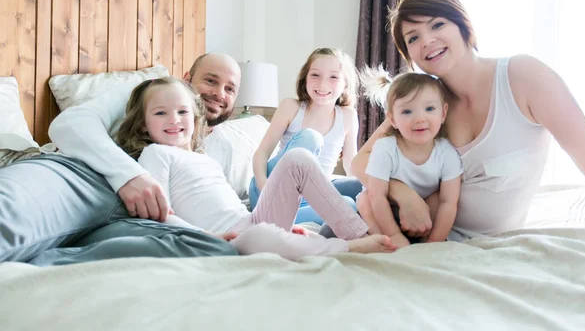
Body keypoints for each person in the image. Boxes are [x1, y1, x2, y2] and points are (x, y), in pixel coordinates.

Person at [352, 0, 585, 241]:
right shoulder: (427, 102)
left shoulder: (525, 77)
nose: (426, 41)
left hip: (468, 243)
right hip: (399, 233)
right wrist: (402, 193)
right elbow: (360, 161)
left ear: (464, 27)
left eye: (437, 24)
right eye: (413, 38)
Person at [0, 53, 244, 265]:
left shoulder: (218, 150)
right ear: (186, 78)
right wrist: (130, 176)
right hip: (83, 178)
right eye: (211, 80)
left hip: (134, 219)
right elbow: (69, 124)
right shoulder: (148, 91)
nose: (218, 94)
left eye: (230, 89)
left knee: (214, 251)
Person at [117, 77, 396, 259]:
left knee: (298, 157)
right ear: (143, 123)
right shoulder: (156, 154)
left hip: (250, 219)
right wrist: (208, 236)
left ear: (195, 117)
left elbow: (235, 207)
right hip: (230, 238)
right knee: (260, 238)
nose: (174, 119)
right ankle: (344, 248)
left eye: (182, 111)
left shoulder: (205, 158)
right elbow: (160, 215)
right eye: (160, 112)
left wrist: (277, 223)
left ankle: (358, 234)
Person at [250, 48, 363, 224]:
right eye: (315, 75)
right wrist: (264, 187)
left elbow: (351, 166)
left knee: (355, 195)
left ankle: (281, 218)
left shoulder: (348, 116)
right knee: (311, 138)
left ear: (345, 84)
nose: (323, 84)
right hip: (271, 189)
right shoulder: (291, 107)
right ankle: (271, 212)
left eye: (333, 77)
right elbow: (261, 154)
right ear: (305, 79)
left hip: (310, 196)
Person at [356, 70, 462, 248]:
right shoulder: (385, 147)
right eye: (406, 111)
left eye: (429, 109)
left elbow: (449, 203)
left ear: (443, 114)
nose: (419, 119)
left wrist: (433, 242)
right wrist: (394, 234)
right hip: (385, 212)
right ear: (392, 119)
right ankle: (384, 240)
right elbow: (378, 196)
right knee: (365, 199)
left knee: (438, 199)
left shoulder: (447, 153)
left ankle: (423, 242)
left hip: (424, 215)